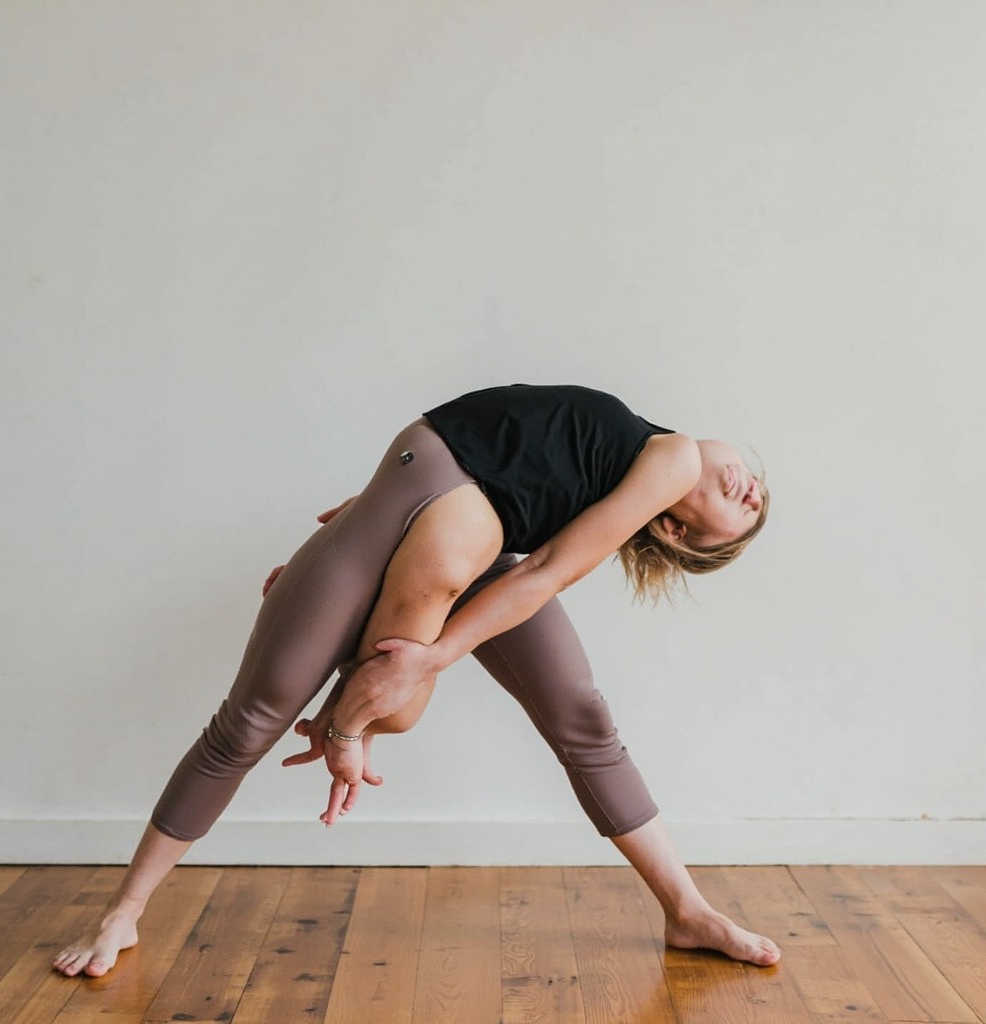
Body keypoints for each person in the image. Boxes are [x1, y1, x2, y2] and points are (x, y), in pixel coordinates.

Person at [53, 383, 778, 978]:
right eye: (754, 491)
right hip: (419, 507)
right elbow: (509, 461)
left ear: (676, 530)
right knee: (251, 718)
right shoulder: (651, 448)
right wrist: (351, 539)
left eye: (743, 513)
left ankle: (686, 910)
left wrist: (430, 658)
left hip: (485, 548)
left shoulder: (672, 465)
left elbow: (544, 569)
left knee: (580, 717)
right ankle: (123, 911)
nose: (750, 492)